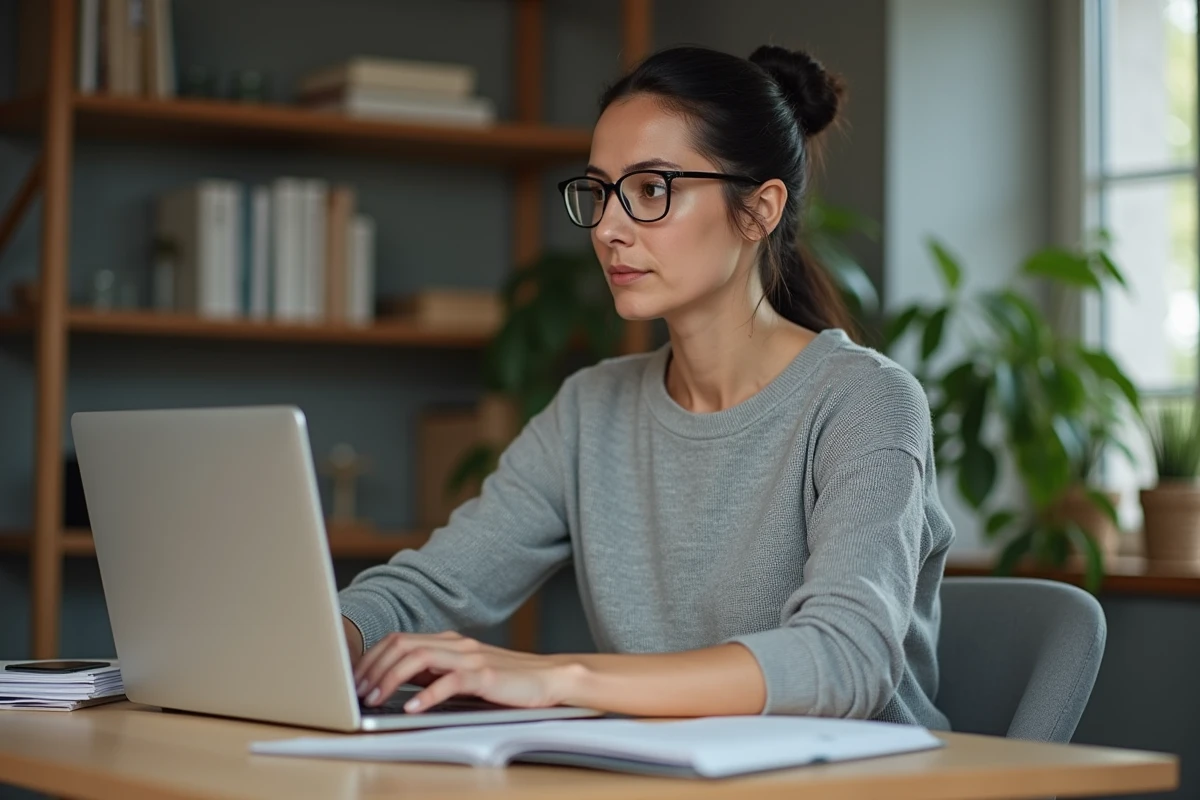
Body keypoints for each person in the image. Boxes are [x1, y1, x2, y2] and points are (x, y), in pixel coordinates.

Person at [339, 43, 954, 728]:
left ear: (759, 210)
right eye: (600, 191)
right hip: (665, 773)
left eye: (652, 190)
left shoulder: (866, 402)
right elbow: (429, 588)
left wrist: (563, 678)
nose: (608, 228)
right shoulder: (590, 410)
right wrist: (331, 636)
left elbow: (843, 660)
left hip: (856, 776)